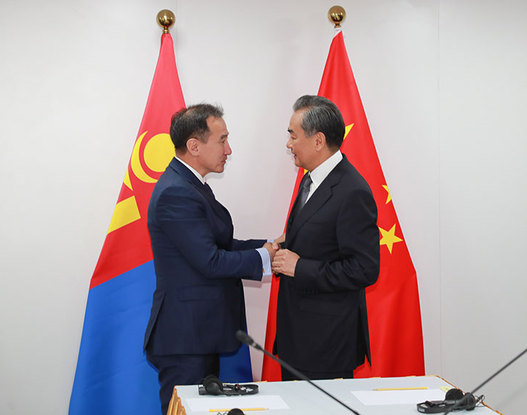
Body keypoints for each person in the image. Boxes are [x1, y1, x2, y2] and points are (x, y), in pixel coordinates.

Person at [144, 103, 278, 414]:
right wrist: (264, 257)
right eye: (222, 140)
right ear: (194, 146)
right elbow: (210, 261)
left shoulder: (190, 185)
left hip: (198, 336)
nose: (228, 150)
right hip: (184, 341)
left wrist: (270, 246)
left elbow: (221, 243)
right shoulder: (176, 192)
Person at [271, 95, 380, 381]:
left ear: (318, 141)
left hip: (326, 346)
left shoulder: (351, 190)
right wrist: (286, 245)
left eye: (293, 136)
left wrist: (300, 266)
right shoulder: (311, 179)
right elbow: (322, 239)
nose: (288, 144)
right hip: (298, 340)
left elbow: (365, 268)